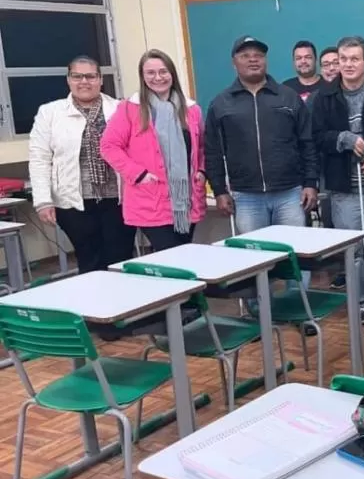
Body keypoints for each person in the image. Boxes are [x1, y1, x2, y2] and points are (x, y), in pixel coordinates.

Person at [203, 35, 319, 293]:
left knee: (296, 256)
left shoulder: (288, 97)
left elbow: (307, 143)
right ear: (234, 63)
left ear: (266, 60)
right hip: (246, 197)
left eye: (258, 55)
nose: (253, 59)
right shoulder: (221, 103)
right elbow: (212, 151)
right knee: (253, 259)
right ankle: (260, 313)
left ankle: (299, 307)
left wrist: (310, 183)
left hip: (290, 194)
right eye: (245, 55)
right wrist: (220, 190)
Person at [311, 35, 364, 319]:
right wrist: (344, 138)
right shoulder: (322, 96)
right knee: (354, 251)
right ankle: (360, 302)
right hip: (344, 188)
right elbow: (317, 136)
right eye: (342, 59)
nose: (348, 65)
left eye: (354, 59)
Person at [28, 55, 134, 274]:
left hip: (118, 200)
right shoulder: (50, 113)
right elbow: (39, 158)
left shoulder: (121, 109)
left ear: (100, 79)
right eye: (77, 76)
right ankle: (95, 307)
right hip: (74, 202)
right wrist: (43, 201)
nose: (84, 81)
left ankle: (125, 306)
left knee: (120, 258)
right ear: (68, 80)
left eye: (90, 76)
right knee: (89, 260)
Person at [101, 49, 207, 251]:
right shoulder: (129, 109)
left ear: (172, 74)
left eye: (163, 71)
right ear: (142, 77)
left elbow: (202, 146)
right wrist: (138, 174)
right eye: (151, 73)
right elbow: (109, 146)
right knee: (169, 256)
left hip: (186, 199)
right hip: (151, 199)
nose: (158, 77)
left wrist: (201, 171)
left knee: (185, 253)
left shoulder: (191, 109)